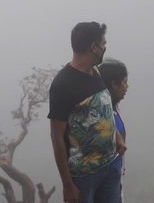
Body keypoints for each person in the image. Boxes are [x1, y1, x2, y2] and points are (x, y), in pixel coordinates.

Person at [48, 22, 127, 203]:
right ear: (94, 47)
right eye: (103, 44)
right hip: (84, 176)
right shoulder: (63, 84)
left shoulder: (96, 72)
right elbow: (56, 137)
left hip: (111, 165)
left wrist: (117, 137)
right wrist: (67, 185)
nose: (105, 48)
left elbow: (103, 110)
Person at [98, 58, 129, 203]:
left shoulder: (114, 108)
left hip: (114, 179)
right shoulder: (98, 112)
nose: (127, 87)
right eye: (124, 82)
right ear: (113, 84)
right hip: (99, 181)